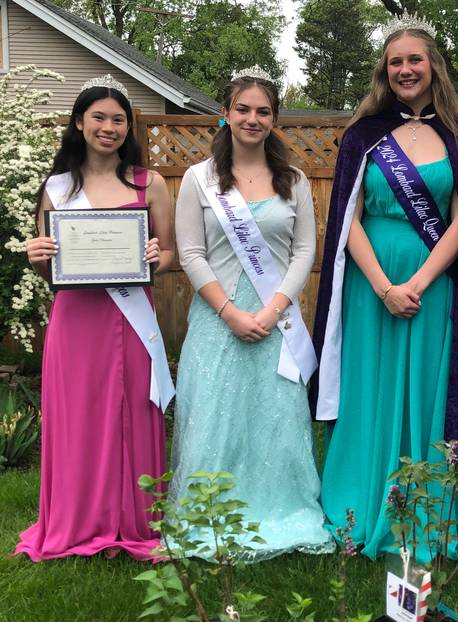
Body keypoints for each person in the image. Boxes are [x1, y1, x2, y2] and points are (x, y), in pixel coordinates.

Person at [312, 12, 458, 559]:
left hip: (431, 283)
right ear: (384, 72)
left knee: (424, 390)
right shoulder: (363, 136)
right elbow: (348, 219)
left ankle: (424, 509)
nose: (406, 69)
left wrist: (418, 280)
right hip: (374, 285)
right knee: (372, 386)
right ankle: (358, 505)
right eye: (396, 63)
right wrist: (387, 285)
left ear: (433, 66)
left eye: (415, 60)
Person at [171, 67, 332, 559]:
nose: (252, 118)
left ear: (274, 119)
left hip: (276, 319)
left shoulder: (296, 180)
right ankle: (210, 512)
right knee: (215, 417)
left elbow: (305, 251)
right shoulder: (199, 180)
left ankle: (279, 506)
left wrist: (274, 307)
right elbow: (191, 253)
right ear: (225, 114)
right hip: (218, 320)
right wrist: (230, 313)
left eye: (263, 111)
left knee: (276, 418)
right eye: (243, 109)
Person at [20, 75, 175, 561]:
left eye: (119, 119)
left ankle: (132, 521)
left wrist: (156, 256)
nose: (109, 128)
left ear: (129, 128)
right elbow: (50, 266)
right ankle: (82, 520)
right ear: (79, 123)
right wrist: (38, 255)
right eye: (99, 118)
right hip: (76, 320)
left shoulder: (152, 184)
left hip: (131, 318)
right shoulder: (59, 187)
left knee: (132, 411)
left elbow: (171, 256)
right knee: (80, 415)